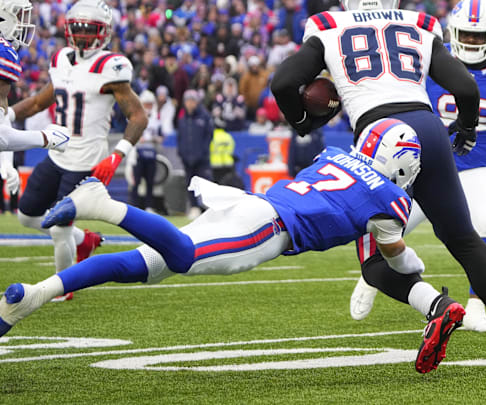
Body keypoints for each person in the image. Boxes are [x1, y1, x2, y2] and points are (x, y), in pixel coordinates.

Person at [0, 119, 460, 375]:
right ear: (401, 162)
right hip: (270, 229)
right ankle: (100, 203)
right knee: (180, 257)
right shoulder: (390, 198)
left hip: (248, 206)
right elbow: (396, 255)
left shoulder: (334, 156)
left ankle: (31, 297)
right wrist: (417, 262)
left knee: (140, 265)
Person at [271, 0, 486, 371]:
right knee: (464, 240)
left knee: (372, 262)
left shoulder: (328, 24)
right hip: (427, 129)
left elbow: (283, 82)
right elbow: (465, 85)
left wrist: (301, 121)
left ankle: (437, 305)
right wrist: (464, 128)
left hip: (379, 137)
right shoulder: (419, 23)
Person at [347, 0, 486, 336]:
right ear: (452, 33)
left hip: (475, 166)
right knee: (385, 228)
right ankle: (372, 275)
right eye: (466, 35)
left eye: (478, 36)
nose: (472, 42)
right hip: (417, 165)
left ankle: (476, 306)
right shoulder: (424, 57)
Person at [8, 0, 149, 302]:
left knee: (59, 229)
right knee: (27, 216)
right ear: (68, 29)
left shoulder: (111, 66)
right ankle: (84, 240)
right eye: (78, 28)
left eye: (90, 29)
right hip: (58, 154)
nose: (83, 34)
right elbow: (36, 103)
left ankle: (63, 288)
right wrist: (5, 115)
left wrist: (118, 153)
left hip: (87, 161)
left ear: (104, 33)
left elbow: (138, 116)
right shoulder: (60, 59)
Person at [0, 0, 70, 196]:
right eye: (18, 16)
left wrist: (6, 163)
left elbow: (2, 119)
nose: (23, 23)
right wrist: (45, 138)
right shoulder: (2, 52)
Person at [177, 89, 213, 219]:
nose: (190, 103)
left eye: (192, 100)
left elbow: (209, 137)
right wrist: (181, 152)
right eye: (187, 100)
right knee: (190, 183)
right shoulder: (182, 119)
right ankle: (194, 207)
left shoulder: (204, 117)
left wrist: (202, 152)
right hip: (187, 158)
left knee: (205, 182)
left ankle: (207, 207)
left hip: (202, 158)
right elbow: (180, 137)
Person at [130, 90, 163, 211]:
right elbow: (131, 134)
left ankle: (149, 206)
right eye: (146, 104)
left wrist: (155, 139)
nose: (148, 107)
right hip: (138, 153)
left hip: (151, 153)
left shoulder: (156, 118)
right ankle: (134, 206)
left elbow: (161, 136)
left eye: (150, 104)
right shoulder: (135, 116)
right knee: (136, 182)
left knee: (150, 182)